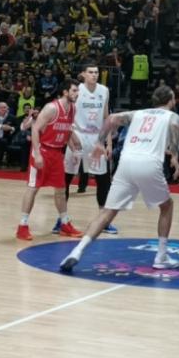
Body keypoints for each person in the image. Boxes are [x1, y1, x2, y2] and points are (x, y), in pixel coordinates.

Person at [60, 86, 179, 272]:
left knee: (108, 212)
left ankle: (77, 251)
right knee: (167, 206)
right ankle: (161, 256)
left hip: (126, 162)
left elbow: (111, 118)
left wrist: (99, 142)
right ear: (171, 101)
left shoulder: (138, 113)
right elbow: (174, 127)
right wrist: (174, 155)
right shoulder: (172, 116)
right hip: (149, 162)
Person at [17, 79, 85, 240]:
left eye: (78, 91)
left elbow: (66, 131)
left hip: (57, 152)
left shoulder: (73, 109)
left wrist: (74, 151)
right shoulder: (51, 108)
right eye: (74, 90)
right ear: (65, 92)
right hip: (42, 149)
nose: (77, 94)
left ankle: (65, 224)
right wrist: (37, 153)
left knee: (61, 190)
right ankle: (22, 226)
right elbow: (35, 129)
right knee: (33, 188)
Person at [60, 65, 116, 234]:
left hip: (96, 139)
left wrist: (109, 143)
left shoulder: (104, 90)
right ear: (83, 74)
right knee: (66, 179)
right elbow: (66, 114)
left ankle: (103, 220)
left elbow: (107, 118)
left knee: (103, 180)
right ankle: (62, 220)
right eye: (90, 72)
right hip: (77, 136)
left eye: (96, 72)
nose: (94, 75)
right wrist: (70, 134)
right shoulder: (76, 90)